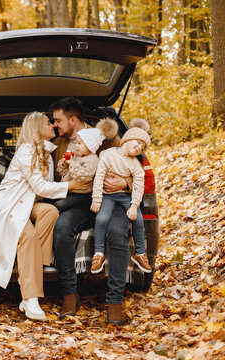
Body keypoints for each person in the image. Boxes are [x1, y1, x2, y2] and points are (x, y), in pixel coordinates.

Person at [0, 111, 88, 321]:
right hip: (11, 203)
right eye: (49, 123)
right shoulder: (27, 151)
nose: (54, 126)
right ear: (37, 127)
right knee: (26, 236)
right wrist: (71, 186)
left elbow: (43, 191)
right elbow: (39, 186)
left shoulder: (47, 152)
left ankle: (31, 269)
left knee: (50, 211)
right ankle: (30, 298)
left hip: (29, 204)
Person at [50, 97, 130, 325]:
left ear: (73, 119)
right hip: (79, 203)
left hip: (110, 201)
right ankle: (69, 294)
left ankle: (114, 302)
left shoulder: (107, 139)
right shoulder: (60, 145)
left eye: (58, 120)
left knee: (116, 231)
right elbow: (58, 179)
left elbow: (134, 166)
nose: (55, 125)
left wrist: (125, 185)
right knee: (62, 226)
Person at [90, 118, 152, 274]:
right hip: (107, 196)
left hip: (125, 196)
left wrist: (134, 206)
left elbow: (139, 187)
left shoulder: (136, 165)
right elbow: (99, 178)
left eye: (142, 147)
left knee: (137, 218)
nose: (139, 147)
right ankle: (99, 254)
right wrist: (97, 199)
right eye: (137, 142)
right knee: (101, 218)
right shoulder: (107, 155)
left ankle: (140, 253)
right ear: (127, 139)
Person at [52, 118, 118, 212]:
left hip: (82, 195)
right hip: (70, 192)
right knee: (53, 202)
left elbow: (83, 176)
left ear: (89, 146)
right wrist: (64, 164)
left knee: (59, 205)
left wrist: (71, 164)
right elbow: (63, 173)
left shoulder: (93, 160)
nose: (76, 146)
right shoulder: (79, 158)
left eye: (79, 143)